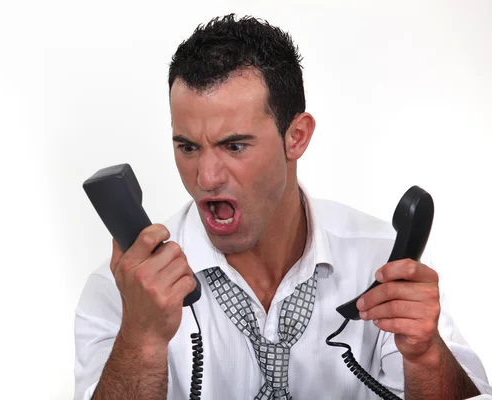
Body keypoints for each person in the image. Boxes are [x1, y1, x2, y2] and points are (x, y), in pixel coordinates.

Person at [74, 14, 491, 400]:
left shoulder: (382, 258)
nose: (206, 177)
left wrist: (425, 355)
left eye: (234, 145)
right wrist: (141, 340)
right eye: (187, 147)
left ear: (297, 137)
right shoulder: (122, 290)